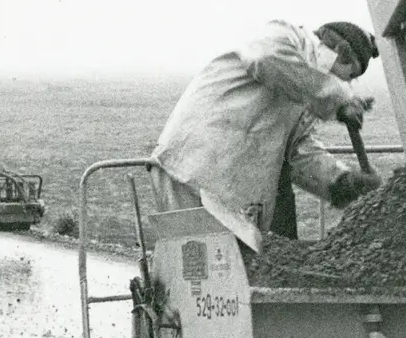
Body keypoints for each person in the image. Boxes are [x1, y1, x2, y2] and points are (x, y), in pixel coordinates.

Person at [151, 20, 383, 241]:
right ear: (340, 52)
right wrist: (337, 99)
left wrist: (340, 182)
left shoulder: (301, 91)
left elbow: (297, 149)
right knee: (201, 271)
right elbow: (265, 58)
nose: (346, 86)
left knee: (220, 273)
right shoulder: (286, 37)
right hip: (194, 170)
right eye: (349, 77)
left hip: (224, 189)